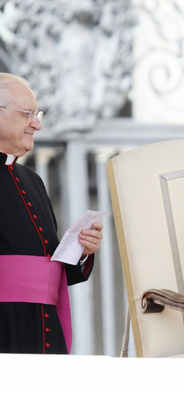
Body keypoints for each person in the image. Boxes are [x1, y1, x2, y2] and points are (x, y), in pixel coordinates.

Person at [0, 73, 103, 354]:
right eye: (27, 114)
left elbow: (48, 265)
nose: (37, 123)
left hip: (44, 320)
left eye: (38, 114)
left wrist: (80, 249)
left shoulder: (33, 180)